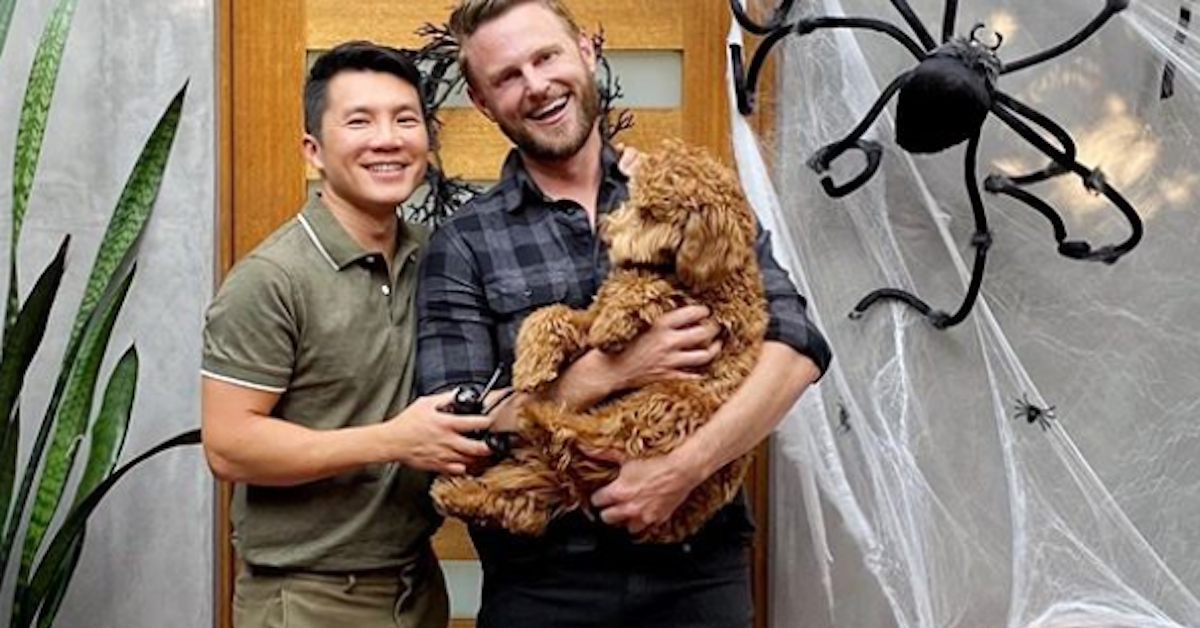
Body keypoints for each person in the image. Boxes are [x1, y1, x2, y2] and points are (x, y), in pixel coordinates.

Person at [416, 2, 834, 627]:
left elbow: (796, 346)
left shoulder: (683, 191)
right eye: (506, 76)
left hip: (698, 572)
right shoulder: (465, 243)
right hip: (543, 583)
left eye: (546, 56)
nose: (535, 85)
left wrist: (682, 468)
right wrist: (608, 373)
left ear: (586, 51)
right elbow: (458, 428)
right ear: (482, 102)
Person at [201, 41, 494, 628]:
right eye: (359, 121)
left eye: (405, 119)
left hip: (418, 584)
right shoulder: (271, 279)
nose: (387, 139)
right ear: (314, 151)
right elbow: (228, 445)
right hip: (309, 598)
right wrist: (392, 441)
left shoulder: (438, 254)